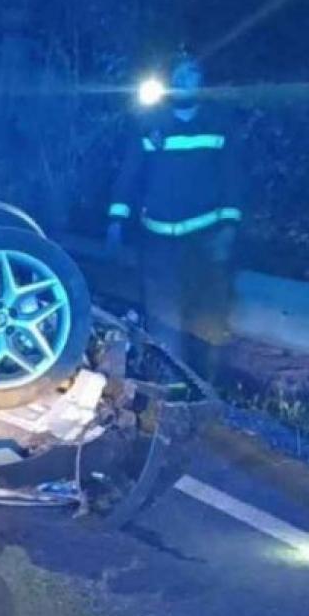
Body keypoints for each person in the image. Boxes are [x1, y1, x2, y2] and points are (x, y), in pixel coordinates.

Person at [106, 53, 245, 383]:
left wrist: (228, 229)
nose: (184, 81)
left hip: (205, 243)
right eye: (178, 75)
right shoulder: (151, 125)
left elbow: (234, 180)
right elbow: (129, 176)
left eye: (191, 74)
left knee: (208, 323)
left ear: (201, 82)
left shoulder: (218, 124)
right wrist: (115, 221)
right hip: (157, 241)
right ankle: (172, 395)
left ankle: (208, 392)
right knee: (163, 323)